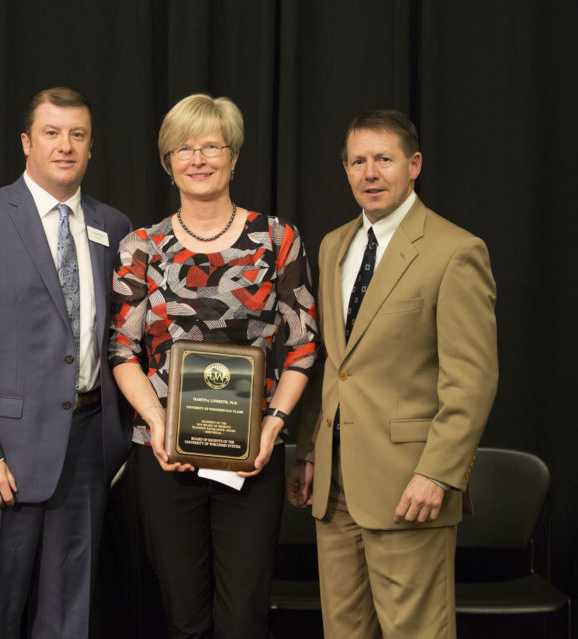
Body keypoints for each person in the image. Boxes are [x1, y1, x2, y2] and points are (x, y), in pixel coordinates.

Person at [109, 93, 318, 638]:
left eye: (211, 146)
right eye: (184, 147)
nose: (197, 158)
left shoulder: (277, 239)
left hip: (253, 458)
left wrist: (272, 426)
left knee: (243, 617)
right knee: (183, 618)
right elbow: (122, 351)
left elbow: (302, 346)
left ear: (234, 157)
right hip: (161, 456)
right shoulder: (142, 247)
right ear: (168, 160)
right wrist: (157, 423)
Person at [0, 87, 133, 639]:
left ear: (91, 147)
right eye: (51, 133)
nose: (64, 146)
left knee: (70, 617)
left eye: (77, 135)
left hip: (90, 448)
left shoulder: (114, 227)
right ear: (26, 142)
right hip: (3, 459)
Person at [287, 109, 498, 638]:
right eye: (358, 161)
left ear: (414, 165)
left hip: (410, 486)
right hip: (334, 489)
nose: (370, 173)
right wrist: (312, 451)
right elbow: (336, 366)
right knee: (345, 631)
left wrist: (439, 472)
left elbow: (471, 380)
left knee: (415, 632)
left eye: (384, 159)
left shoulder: (456, 252)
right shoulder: (335, 244)